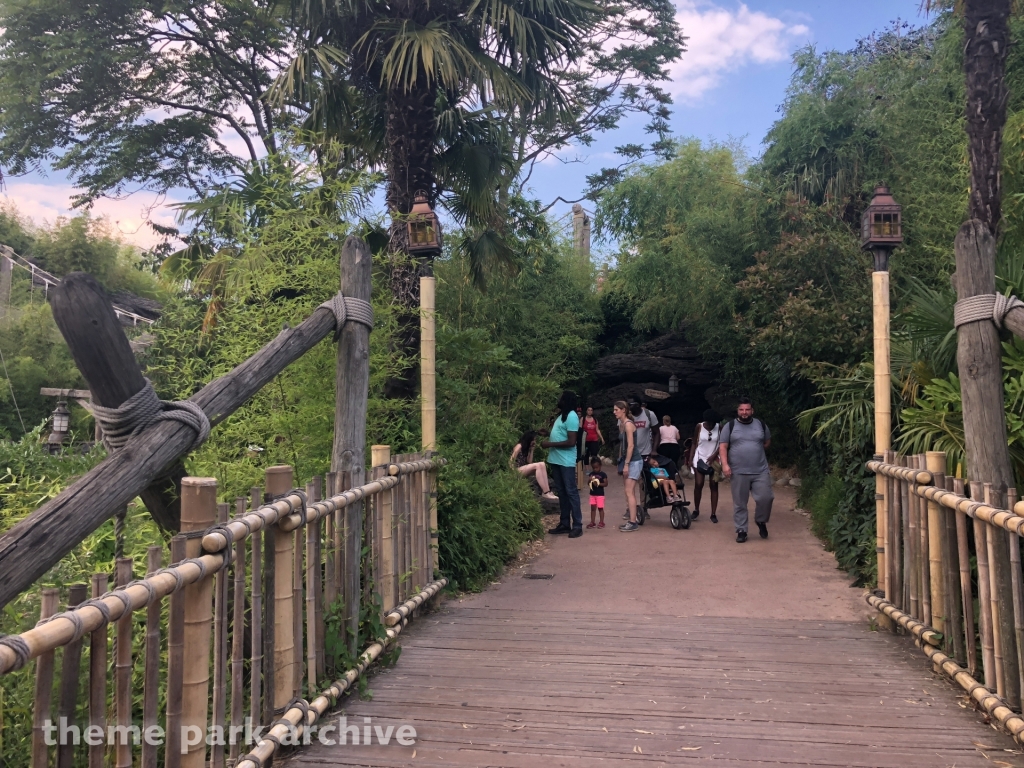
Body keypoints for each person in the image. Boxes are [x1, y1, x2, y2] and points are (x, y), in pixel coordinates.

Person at [719, 397, 773, 543]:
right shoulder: (729, 426)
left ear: (752, 411)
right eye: (741, 410)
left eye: (747, 409)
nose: (744, 412)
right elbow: (723, 447)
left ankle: (761, 521)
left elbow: (767, 442)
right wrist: (725, 465)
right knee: (740, 503)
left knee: (766, 498)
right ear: (738, 411)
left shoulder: (761, 425)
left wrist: (753, 450)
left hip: (760, 470)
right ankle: (741, 530)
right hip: (738, 471)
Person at [543, 391, 584, 538]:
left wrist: (549, 444)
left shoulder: (572, 416)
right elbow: (561, 434)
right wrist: (547, 433)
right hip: (556, 459)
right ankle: (565, 523)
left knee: (571, 491)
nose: (558, 399)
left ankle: (577, 525)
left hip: (565, 461)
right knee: (562, 492)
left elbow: (571, 442)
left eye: (561, 397)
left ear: (566, 400)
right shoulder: (562, 416)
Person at [688, 409, 722, 523]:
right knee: (699, 484)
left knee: (714, 485)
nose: (711, 425)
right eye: (709, 422)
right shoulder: (699, 426)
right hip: (700, 457)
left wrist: (715, 455)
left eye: (713, 423)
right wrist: (690, 458)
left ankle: (713, 513)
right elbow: (694, 443)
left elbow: (722, 444)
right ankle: (696, 510)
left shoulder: (719, 427)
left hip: (714, 459)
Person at [614, 400, 642, 532]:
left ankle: (632, 521)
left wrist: (626, 464)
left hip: (634, 461)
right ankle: (633, 518)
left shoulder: (629, 425)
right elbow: (623, 445)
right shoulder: (622, 424)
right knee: (628, 491)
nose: (614, 412)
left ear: (623, 410)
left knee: (629, 491)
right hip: (627, 460)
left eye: (616, 410)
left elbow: (631, 446)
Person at [510, 431, 557, 501]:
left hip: (522, 468)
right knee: (538, 465)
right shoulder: (519, 446)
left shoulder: (526, 448)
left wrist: (531, 450)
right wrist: (512, 472)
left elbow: (529, 462)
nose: (534, 442)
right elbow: (511, 460)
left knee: (542, 464)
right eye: (534, 440)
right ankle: (546, 492)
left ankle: (548, 491)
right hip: (516, 470)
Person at [586, 457, 608, 529]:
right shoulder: (592, 474)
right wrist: (589, 480)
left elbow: (606, 484)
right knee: (592, 509)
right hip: (592, 494)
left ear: (600, 466)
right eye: (593, 468)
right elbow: (588, 484)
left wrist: (598, 484)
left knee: (600, 508)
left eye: (596, 467)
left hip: (600, 495)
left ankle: (602, 522)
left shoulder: (603, 474)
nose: (595, 469)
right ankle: (592, 522)